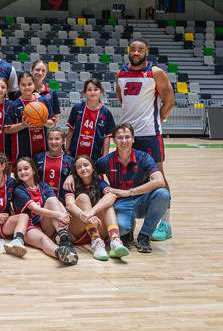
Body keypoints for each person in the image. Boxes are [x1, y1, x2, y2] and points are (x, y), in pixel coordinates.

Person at [115, 39, 175, 240]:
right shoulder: (120, 74)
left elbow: (170, 100)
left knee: (158, 177)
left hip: (149, 134)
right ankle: (128, 220)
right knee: (127, 176)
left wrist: (160, 118)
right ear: (128, 51)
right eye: (133, 49)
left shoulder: (156, 72)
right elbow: (123, 101)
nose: (136, 52)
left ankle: (165, 224)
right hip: (126, 136)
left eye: (140, 49)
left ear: (147, 51)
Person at [95, 123, 171, 253]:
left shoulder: (144, 157)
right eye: (120, 138)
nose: (124, 141)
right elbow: (93, 175)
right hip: (121, 203)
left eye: (127, 137)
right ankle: (128, 231)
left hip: (142, 200)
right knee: (121, 228)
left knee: (163, 194)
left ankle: (144, 236)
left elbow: (160, 181)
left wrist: (129, 192)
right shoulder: (106, 160)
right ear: (114, 140)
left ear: (133, 139)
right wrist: (105, 187)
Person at [12, 157, 78, 265]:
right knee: (44, 241)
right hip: (29, 226)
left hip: (45, 224)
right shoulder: (19, 190)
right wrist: (60, 214)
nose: (23, 172)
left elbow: (55, 202)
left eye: (26, 168)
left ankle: (64, 238)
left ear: (33, 170)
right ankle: (61, 253)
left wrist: (64, 214)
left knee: (52, 200)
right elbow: (36, 209)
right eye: (19, 170)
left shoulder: (43, 185)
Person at [63, 156, 129, 261]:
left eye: (86, 165)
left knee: (106, 204)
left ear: (93, 168)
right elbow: (69, 205)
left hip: (97, 225)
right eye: (79, 167)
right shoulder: (71, 184)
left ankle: (115, 240)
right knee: (83, 198)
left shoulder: (100, 182)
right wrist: (84, 216)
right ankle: (96, 242)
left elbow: (111, 196)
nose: (83, 168)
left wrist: (91, 212)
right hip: (78, 229)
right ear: (75, 171)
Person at [4, 71, 54, 162]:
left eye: (29, 84)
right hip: (22, 151)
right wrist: (23, 125)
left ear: (34, 84)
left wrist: (44, 122)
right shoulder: (14, 105)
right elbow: (7, 129)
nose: (27, 87)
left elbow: (52, 123)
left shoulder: (43, 101)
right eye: (23, 85)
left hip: (41, 149)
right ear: (18, 86)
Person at [65, 78, 115, 162]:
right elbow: (70, 130)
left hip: (95, 157)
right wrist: (66, 149)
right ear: (84, 93)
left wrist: (104, 157)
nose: (92, 92)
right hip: (74, 155)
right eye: (89, 90)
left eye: (96, 89)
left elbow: (107, 137)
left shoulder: (106, 113)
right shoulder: (77, 108)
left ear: (101, 92)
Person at [34, 128, 74, 203]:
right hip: (40, 202)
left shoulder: (70, 160)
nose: (53, 142)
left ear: (63, 141)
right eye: (50, 139)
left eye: (57, 139)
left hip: (63, 202)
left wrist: (72, 176)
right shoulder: (38, 157)